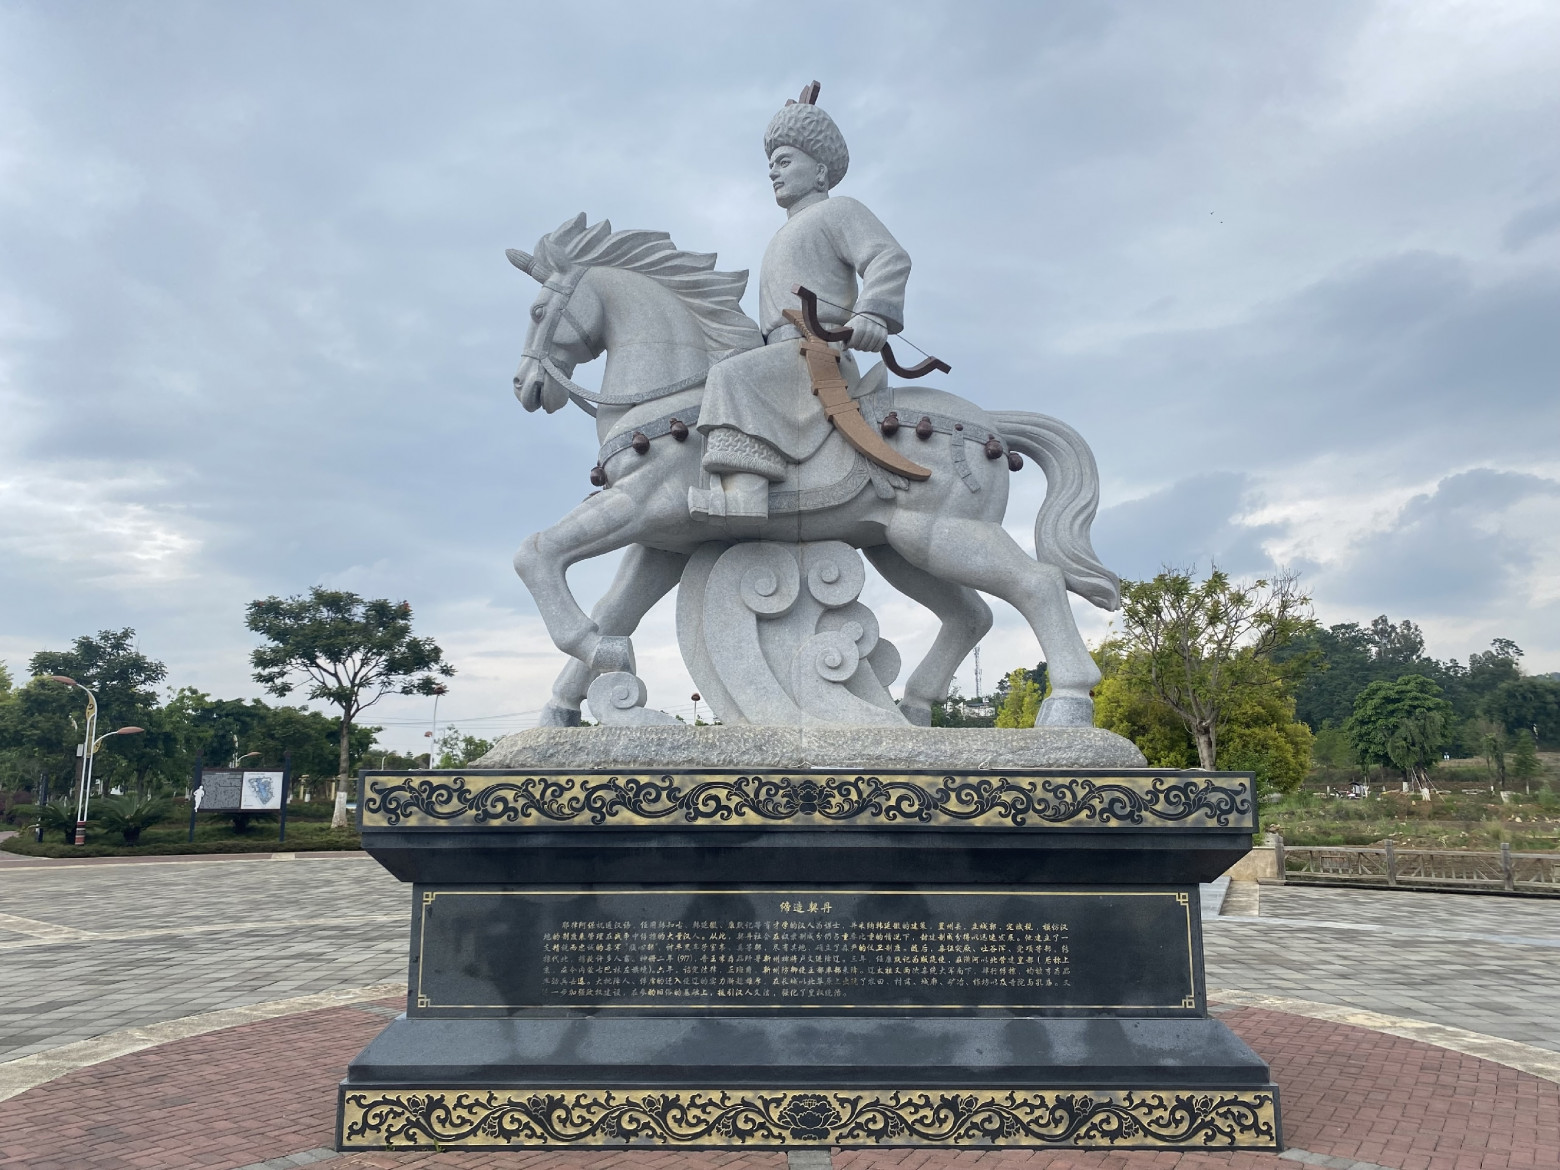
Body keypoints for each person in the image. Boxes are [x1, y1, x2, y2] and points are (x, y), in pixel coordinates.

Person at [690, 83, 912, 530]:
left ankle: (747, 493)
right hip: (781, 351)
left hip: (817, 354)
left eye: (785, 161)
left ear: (820, 174)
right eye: (770, 165)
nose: (773, 172)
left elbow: (889, 257)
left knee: (728, 377)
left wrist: (873, 313)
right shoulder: (780, 237)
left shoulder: (839, 211)